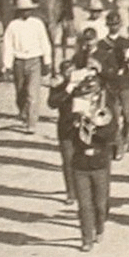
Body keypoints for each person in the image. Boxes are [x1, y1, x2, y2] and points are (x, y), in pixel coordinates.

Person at [71, 72, 117, 251]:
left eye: (92, 93)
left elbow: (110, 134)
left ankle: (100, 227)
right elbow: (68, 135)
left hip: (99, 162)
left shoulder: (106, 108)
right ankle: (86, 239)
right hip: (80, 164)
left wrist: (94, 125)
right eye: (86, 93)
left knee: (100, 203)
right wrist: (76, 122)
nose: (89, 97)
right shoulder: (76, 108)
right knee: (84, 205)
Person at [2, 0, 52, 134]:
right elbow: (8, 46)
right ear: (18, 12)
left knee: (32, 93)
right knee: (20, 92)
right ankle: (23, 111)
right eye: (23, 11)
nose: (26, 13)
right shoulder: (13, 26)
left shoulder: (37, 24)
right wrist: (7, 65)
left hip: (34, 61)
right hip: (19, 62)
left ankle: (32, 122)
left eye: (28, 10)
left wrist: (47, 62)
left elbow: (44, 43)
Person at [97, 10, 129, 160]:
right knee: (114, 118)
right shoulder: (102, 45)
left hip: (125, 83)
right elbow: (99, 65)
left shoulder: (125, 42)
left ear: (120, 25)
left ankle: (125, 137)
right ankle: (119, 145)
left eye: (116, 24)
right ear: (107, 26)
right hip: (110, 85)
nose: (114, 27)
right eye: (111, 24)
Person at [47, 60, 77, 205]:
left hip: (83, 125)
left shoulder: (83, 82)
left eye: (73, 70)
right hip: (66, 127)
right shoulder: (58, 86)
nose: (71, 74)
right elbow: (52, 103)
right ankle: (70, 192)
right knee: (68, 160)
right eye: (67, 72)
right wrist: (67, 91)